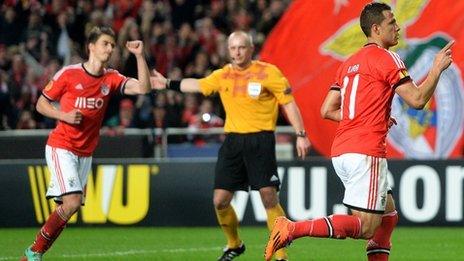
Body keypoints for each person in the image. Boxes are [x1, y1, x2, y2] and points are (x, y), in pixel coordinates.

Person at [265, 2, 453, 261]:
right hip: (366, 151)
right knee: (366, 227)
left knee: (388, 216)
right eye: (391, 23)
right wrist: (436, 68)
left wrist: (369, 117)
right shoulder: (387, 58)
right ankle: (292, 228)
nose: (398, 27)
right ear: (376, 29)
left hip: (342, 151)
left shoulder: (349, 62)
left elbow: (327, 109)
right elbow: (418, 100)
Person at [151, 31, 311, 261]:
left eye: (241, 47)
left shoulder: (268, 72)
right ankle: (234, 244)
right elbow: (196, 85)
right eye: (233, 48)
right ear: (228, 51)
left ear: (251, 49)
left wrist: (301, 134)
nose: (237, 52)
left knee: (268, 198)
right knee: (220, 200)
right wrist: (166, 82)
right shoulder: (223, 75)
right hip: (233, 142)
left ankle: (281, 256)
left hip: (260, 140)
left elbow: (289, 104)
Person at [21, 26, 151, 260]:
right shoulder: (68, 74)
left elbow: (143, 88)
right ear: (91, 46)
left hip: (85, 152)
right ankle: (33, 252)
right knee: (71, 202)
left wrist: (140, 56)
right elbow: (41, 103)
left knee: (69, 207)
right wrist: (64, 115)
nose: (109, 49)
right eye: (105, 43)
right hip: (62, 146)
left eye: (112, 45)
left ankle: (34, 252)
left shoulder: (111, 78)